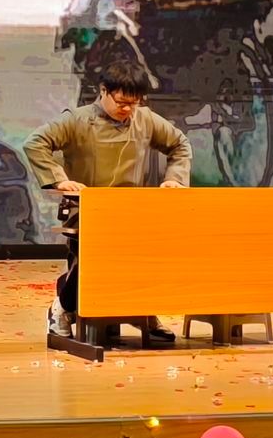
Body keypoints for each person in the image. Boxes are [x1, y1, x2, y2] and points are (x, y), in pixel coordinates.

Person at [22, 60, 189, 344]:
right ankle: (61, 308)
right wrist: (59, 180)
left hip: (130, 211)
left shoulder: (145, 119)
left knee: (149, 254)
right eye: (121, 102)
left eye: (133, 103)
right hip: (85, 210)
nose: (127, 110)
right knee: (98, 255)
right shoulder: (77, 119)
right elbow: (35, 143)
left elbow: (179, 144)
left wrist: (174, 178)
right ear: (103, 91)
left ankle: (145, 311)